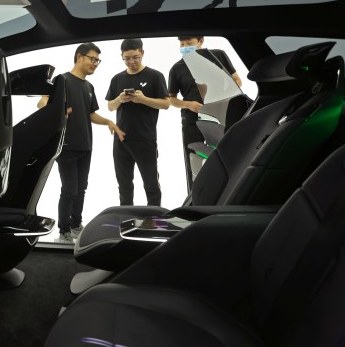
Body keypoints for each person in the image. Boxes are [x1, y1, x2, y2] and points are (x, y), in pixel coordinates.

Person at [38, 42, 125, 244]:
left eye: (98, 61)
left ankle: (77, 225)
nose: (95, 63)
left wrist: (109, 122)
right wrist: (56, 111)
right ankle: (64, 230)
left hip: (85, 145)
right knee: (70, 189)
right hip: (66, 146)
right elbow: (42, 102)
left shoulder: (88, 86)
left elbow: (91, 114)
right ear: (79, 57)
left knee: (82, 188)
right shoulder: (62, 80)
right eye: (92, 59)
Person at [168, 35, 241, 181]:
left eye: (189, 43)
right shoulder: (177, 68)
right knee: (194, 161)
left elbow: (237, 80)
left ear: (201, 41)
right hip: (192, 120)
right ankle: (195, 197)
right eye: (182, 44)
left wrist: (220, 98)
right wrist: (188, 104)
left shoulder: (218, 55)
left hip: (220, 116)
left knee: (228, 158)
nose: (184, 47)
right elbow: (171, 99)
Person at [106, 38, 169, 206]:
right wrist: (119, 99)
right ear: (122, 56)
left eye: (135, 57)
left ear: (142, 53)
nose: (131, 62)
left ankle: (155, 221)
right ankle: (125, 220)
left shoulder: (155, 76)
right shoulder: (117, 79)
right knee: (124, 186)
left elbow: (166, 104)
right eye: (127, 58)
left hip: (145, 139)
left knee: (151, 185)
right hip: (121, 139)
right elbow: (110, 107)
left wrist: (143, 99)